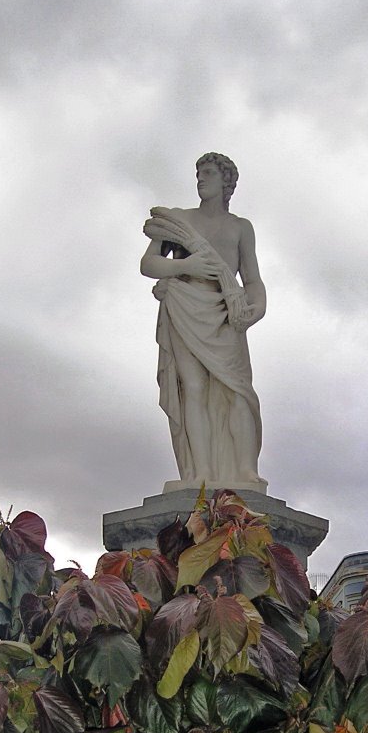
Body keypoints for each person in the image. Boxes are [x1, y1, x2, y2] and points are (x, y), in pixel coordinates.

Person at [141, 152, 267, 493]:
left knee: (237, 390)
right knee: (192, 388)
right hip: (184, 304)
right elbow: (149, 263)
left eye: (208, 173)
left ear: (226, 181)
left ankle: (244, 468)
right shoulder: (179, 220)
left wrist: (258, 305)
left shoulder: (240, 227)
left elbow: (251, 277)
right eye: (198, 173)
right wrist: (185, 268)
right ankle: (200, 472)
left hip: (227, 310)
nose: (200, 179)